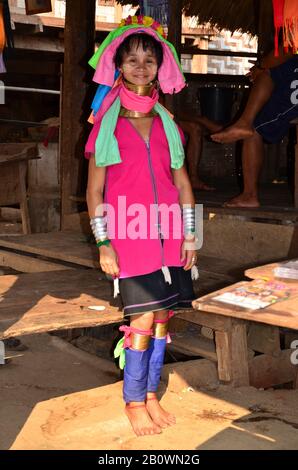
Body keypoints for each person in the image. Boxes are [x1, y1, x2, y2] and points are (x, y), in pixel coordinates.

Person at [85, 16, 198, 436]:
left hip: (170, 231)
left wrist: (191, 233)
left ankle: (151, 395)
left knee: (165, 316)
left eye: (148, 59)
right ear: (117, 65)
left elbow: (182, 182)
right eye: (131, 59)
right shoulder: (107, 125)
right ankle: (134, 399)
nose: (140, 66)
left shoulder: (168, 124)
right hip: (128, 235)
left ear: (159, 66)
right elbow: (94, 192)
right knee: (143, 322)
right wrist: (104, 243)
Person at [211, 51, 298, 208]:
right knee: (269, 73)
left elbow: (285, 49)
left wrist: (260, 65)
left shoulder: (292, 29)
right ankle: (244, 122)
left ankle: (249, 195)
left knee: (254, 127)